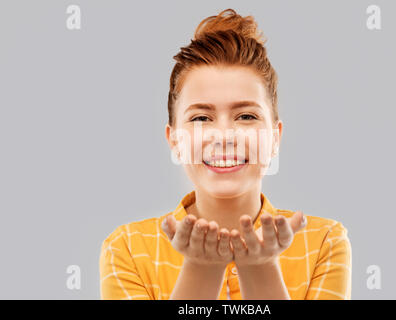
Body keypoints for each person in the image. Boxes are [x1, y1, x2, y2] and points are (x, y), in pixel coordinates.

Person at [99, 8, 352, 300]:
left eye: (246, 116)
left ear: (275, 137)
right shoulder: (127, 248)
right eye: (201, 118)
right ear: (175, 140)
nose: (223, 136)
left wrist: (261, 269)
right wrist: (200, 270)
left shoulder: (323, 242)